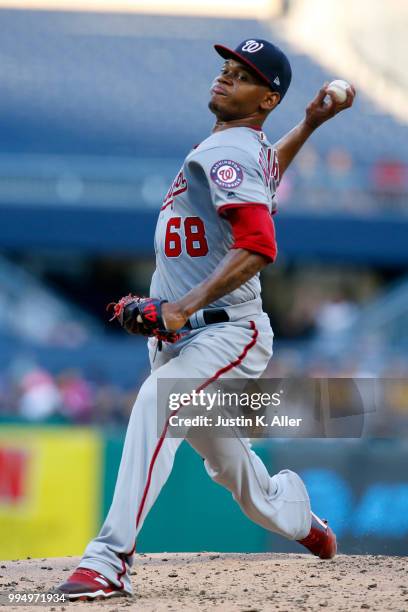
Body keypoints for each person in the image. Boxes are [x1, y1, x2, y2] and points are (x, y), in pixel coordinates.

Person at [57, 39, 355, 600]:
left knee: (157, 400)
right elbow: (263, 175)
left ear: (267, 99)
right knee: (232, 471)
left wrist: (180, 307)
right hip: (186, 336)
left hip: (226, 331)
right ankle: (298, 519)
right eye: (225, 68)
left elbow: (260, 245)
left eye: (242, 75)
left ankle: (108, 559)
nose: (225, 78)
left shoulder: (232, 151)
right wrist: (311, 123)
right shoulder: (242, 145)